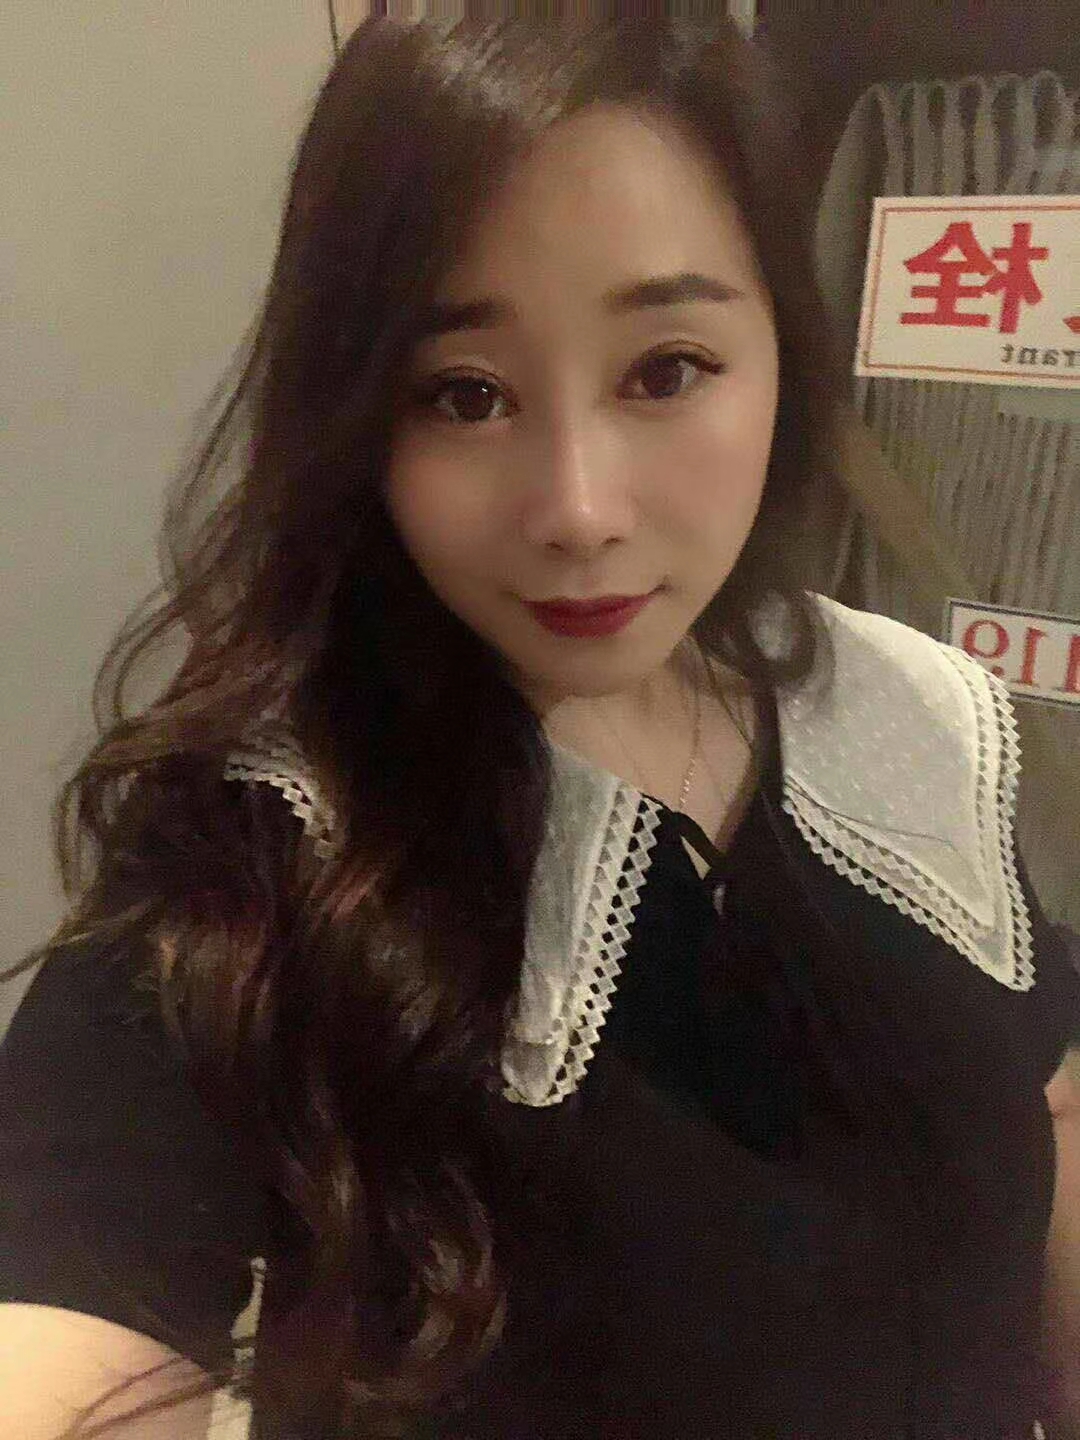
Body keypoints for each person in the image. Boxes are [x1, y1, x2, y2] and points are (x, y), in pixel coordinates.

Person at [2, 14, 1079, 1440]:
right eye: (466, 395)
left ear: (783, 347)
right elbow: (70, 1333)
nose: (578, 509)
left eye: (665, 369)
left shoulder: (902, 714)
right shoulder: (265, 833)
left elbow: (1042, 1103)